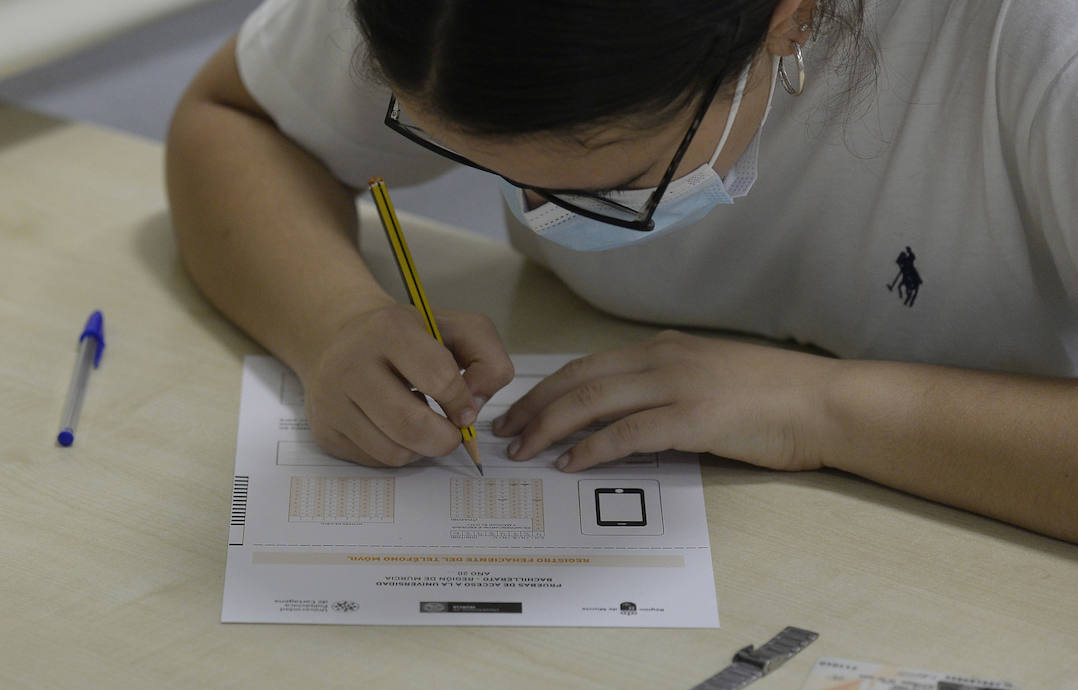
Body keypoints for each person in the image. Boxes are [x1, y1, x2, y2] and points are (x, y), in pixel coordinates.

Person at [166, 0, 1078, 542]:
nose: (535, 213)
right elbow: (236, 121)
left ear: (790, 16)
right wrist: (333, 321)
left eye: (611, 185)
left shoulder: (1043, 46)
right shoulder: (442, 12)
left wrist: (820, 409)